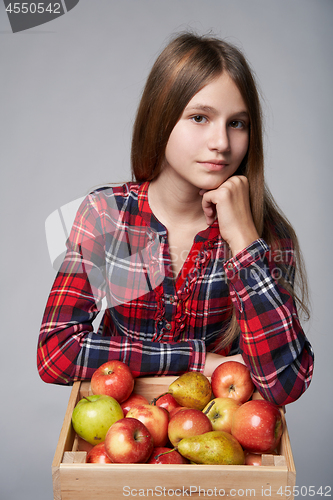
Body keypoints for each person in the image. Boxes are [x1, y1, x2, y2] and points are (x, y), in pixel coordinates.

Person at [37, 32, 314, 406]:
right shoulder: (108, 215)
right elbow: (56, 352)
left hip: (222, 445)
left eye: (237, 123)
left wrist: (246, 244)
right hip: (119, 435)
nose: (221, 143)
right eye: (200, 118)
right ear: (161, 118)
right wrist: (198, 361)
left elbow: (286, 384)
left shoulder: (267, 233)